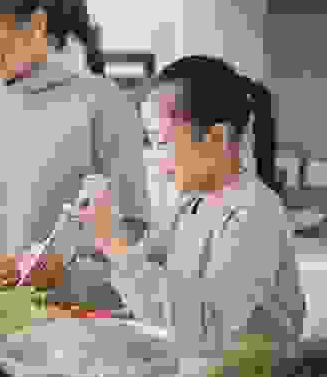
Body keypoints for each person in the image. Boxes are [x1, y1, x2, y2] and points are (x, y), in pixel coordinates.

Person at [0, 0, 148, 295]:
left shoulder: (100, 103)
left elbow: (133, 236)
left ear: (38, 23)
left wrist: (58, 268)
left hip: (71, 326)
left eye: (0, 34)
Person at [107, 55, 304, 358]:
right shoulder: (189, 204)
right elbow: (148, 271)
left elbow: (210, 328)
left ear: (217, 138)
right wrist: (103, 241)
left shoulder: (254, 214)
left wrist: (117, 249)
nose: (157, 162)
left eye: (161, 142)